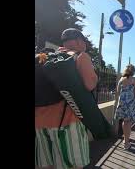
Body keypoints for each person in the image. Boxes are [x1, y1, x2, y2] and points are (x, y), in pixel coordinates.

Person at [35, 28, 97, 169]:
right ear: (78, 41)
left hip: (39, 124)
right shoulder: (80, 56)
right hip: (68, 123)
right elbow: (90, 84)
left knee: (47, 166)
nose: (85, 45)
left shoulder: (46, 56)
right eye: (84, 42)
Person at [115, 64, 135, 149]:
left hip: (122, 103)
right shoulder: (134, 80)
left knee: (125, 121)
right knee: (128, 122)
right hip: (130, 104)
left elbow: (117, 92)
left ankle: (125, 140)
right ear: (133, 71)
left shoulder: (121, 79)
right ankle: (126, 143)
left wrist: (118, 103)